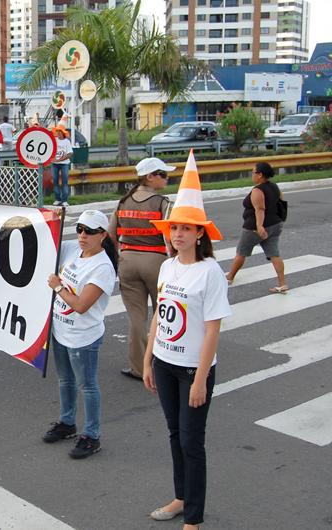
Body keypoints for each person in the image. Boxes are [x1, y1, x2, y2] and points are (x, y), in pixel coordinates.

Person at [143, 153, 231, 530]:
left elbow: (212, 329)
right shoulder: (167, 266)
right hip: (164, 363)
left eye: (186, 228)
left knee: (192, 442)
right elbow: (159, 317)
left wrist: (200, 379)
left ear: (200, 234)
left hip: (193, 370)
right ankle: (180, 497)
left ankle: (193, 517)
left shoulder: (210, 273)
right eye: (174, 227)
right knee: (175, 434)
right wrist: (148, 360)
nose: (178, 234)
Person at [44, 210, 118, 460]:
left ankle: (92, 436)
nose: (82, 235)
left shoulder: (103, 267)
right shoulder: (73, 249)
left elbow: (81, 305)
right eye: (79, 229)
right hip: (60, 330)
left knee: (87, 386)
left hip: (83, 337)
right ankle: (67, 423)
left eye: (90, 231)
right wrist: (52, 217)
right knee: (65, 381)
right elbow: (47, 240)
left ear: (103, 235)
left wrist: (58, 287)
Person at [108, 157, 174, 380]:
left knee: (136, 318)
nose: (166, 178)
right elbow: (171, 236)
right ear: (150, 177)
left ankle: (138, 367)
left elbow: (111, 235)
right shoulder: (162, 203)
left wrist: (118, 258)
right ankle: (165, 363)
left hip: (127, 261)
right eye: (163, 174)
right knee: (162, 315)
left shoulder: (123, 202)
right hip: (156, 262)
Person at [225, 162, 287, 294]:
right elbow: (281, 201)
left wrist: (259, 226)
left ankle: (229, 277)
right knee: (274, 254)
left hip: (254, 227)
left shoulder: (257, 190)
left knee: (241, 252)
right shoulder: (274, 186)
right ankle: (282, 284)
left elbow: (260, 209)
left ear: (260, 175)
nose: (252, 175)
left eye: (253, 172)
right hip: (275, 225)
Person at [51, 125, 73, 206]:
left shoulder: (67, 141)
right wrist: (52, 159)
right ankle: (57, 199)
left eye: (60, 131)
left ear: (63, 133)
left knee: (65, 182)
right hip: (54, 164)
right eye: (57, 131)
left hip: (64, 164)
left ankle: (64, 200)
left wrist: (60, 160)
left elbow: (70, 153)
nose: (58, 133)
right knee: (55, 181)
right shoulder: (54, 140)